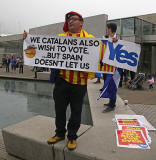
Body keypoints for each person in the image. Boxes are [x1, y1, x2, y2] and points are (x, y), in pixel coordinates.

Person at [23, 11, 94, 150]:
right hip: (62, 82)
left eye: (73, 19)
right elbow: (43, 50)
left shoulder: (90, 39)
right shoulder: (61, 37)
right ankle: (60, 133)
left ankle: (72, 136)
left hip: (79, 84)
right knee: (59, 110)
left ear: (81, 22)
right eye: (68, 20)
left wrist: (114, 42)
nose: (70, 22)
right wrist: (28, 41)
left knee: (76, 111)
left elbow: (102, 54)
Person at [103, 23, 120, 112]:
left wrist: (117, 41)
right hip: (107, 66)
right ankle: (110, 101)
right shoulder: (107, 38)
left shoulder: (118, 39)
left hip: (115, 68)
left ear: (110, 29)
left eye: (107, 29)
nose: (106, 30)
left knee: (113, 85)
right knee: (108, 84)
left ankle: (112, 105)